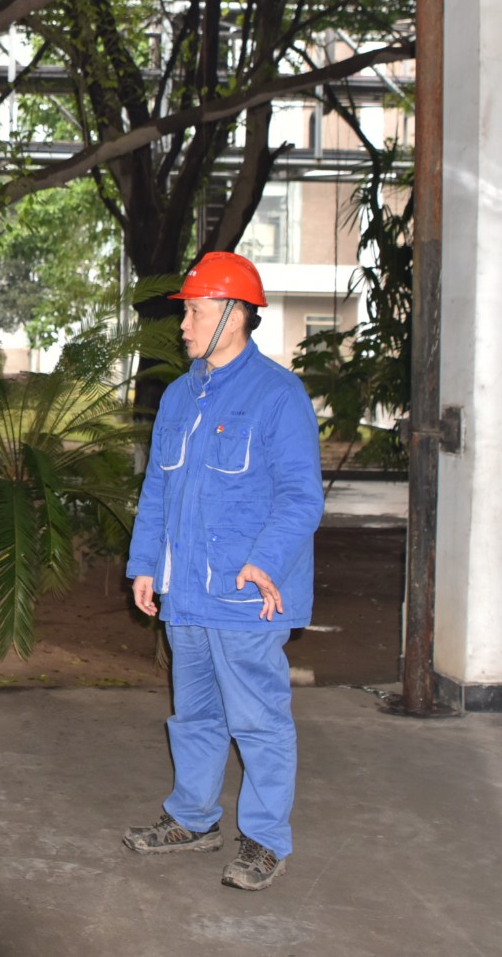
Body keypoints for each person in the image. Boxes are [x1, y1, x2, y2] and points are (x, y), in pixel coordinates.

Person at [122, 251, 324, 892]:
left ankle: (265, 840)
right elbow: (157, 488)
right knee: (195, 715)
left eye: (196, 312)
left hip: (243, 596)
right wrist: (145, 564)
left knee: (259, 721)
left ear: (234, 315)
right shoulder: (180, 396)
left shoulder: (278, 396)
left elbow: (301, 497)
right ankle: (192, 818)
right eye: (186, 311)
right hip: (185, 593)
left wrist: (264, 562)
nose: (183, 324)